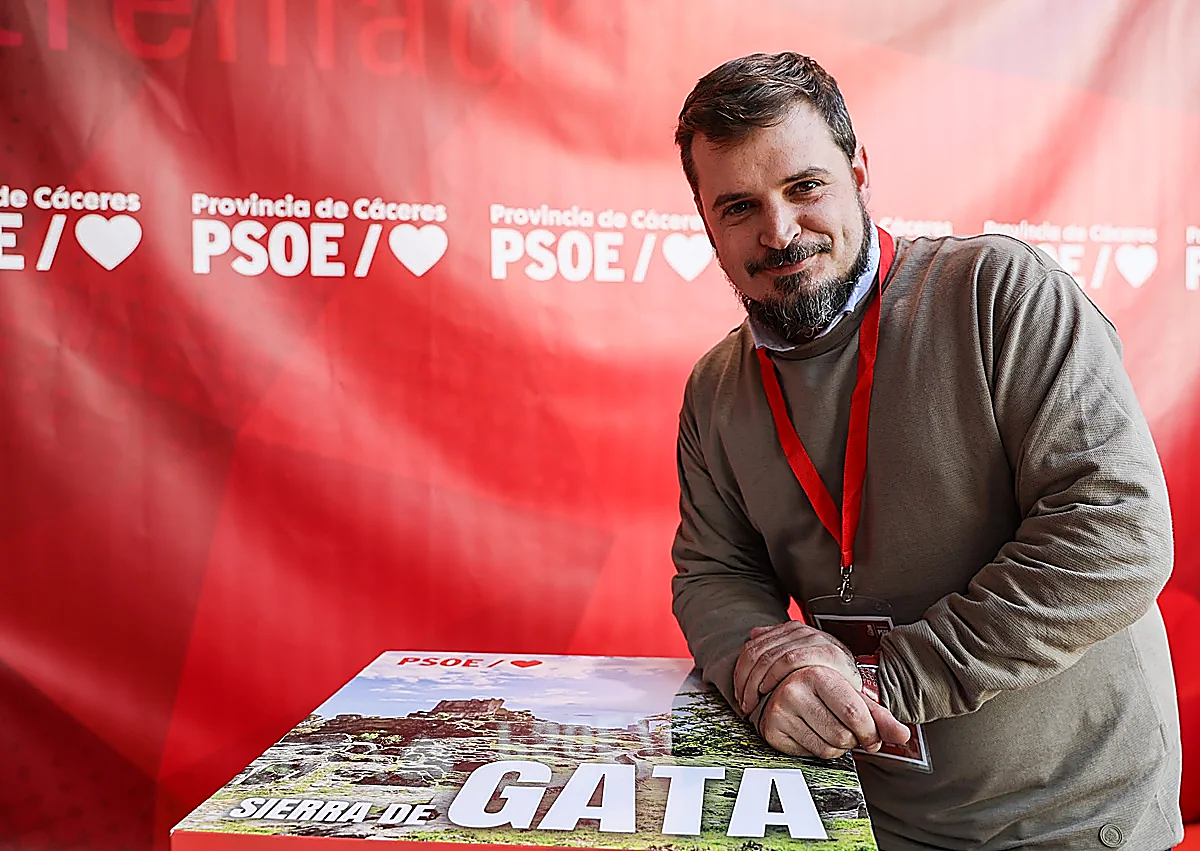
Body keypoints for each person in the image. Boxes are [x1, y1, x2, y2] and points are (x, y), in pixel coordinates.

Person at [669, 51, 1182, 850]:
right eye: (739, 206)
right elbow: (714, 572)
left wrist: (884, 676)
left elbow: (1114, 534)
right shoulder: (715, 389)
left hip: (1074, 815)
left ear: (859, 170)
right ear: (707, 222)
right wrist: (762, 671)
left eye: (805, 187)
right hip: (866, 815)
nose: (779, 231)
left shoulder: (997, 294)